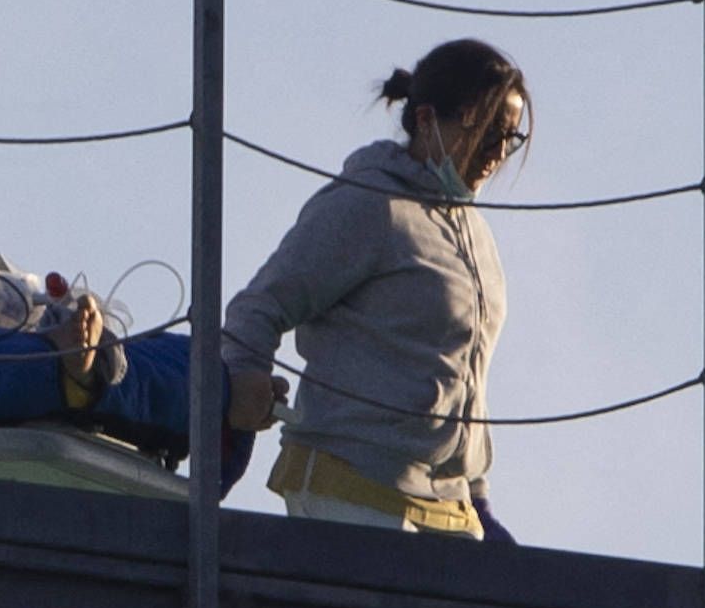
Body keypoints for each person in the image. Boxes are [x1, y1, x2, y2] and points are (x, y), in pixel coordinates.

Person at [221, 38, 526, 540]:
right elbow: (261, 304)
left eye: (510, 137)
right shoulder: (370, 205)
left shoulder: (479, 241)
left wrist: (477, 495)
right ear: (426, 119)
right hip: (351, 483)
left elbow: (467, 375)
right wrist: (243, 375)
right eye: (486, 128)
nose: (497, 152)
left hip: (449, 505)